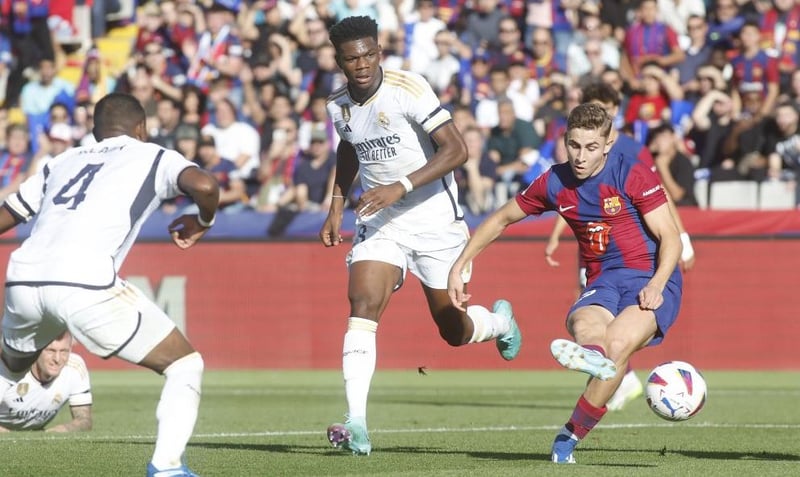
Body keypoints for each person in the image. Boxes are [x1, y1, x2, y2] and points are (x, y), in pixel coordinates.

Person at [319, 16, 521, 456]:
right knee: (362, 302)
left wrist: (401, 186)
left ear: (379, 52)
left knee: (452, 329)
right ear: (339, 62)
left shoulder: (408, 88)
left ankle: (499, 323)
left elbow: (457, 149)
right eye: (352, 58)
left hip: (434, 221)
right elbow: (349, 146)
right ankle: (357, 423)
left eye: (369, 54)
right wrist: (336, 205)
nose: (362, 64)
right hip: (381, 221)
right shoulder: (337, 106)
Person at [448, 103, 683, 464]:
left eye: (591, 147)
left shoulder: (631, 173)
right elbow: (500, 219)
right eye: (574, 145)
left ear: (608, 144)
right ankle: (593, 358)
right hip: (603, 279)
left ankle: (570, 434)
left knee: (618, 343)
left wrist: (657, 284)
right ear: (565, 141)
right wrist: (461, 263)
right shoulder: (554, 182)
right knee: (582, 322)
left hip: (651, 277)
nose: (580, 156)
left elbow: (671, 238)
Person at [0, 92, 220, 477]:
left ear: (95, 131)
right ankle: (167, 467)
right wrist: (203, 221)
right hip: (84, 283)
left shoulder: (62, 161)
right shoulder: (153, 154)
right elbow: (204, 185)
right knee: (185, 364)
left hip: (24, 277)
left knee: (10, 368)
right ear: (142, 127)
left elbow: (9, 213)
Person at [543, 82, 696, 411]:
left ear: (616, 111)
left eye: (605, 107)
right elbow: (571, 196)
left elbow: (659, 196)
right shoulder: (582, 147)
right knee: (589, 308)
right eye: (593, 106)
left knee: (621, 321)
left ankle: (617, 374)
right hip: (594, 245)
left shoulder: (632, 151)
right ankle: (614, 371)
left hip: (630, 248)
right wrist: (557, 232)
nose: (600, 112)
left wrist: (682, 237)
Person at [0, 331, 92, 432]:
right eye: (50, 351)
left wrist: (62, 430)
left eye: (64, 351)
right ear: (37, 351)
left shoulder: (75, 367)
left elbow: (84, 421)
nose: (57, 359)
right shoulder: (9, 369)